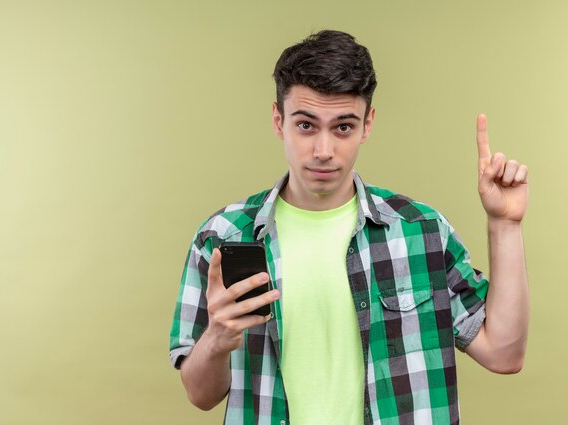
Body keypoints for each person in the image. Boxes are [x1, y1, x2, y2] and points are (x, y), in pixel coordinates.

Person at [169, 30, 529, 425]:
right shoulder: (222, 236)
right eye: (306, 125)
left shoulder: (420, 231)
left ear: (367, 124)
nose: (324, 151)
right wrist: (218, 338)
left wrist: (504, 223)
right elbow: (200, 395)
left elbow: (504, 354)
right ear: (279, 120)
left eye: (342, 127)